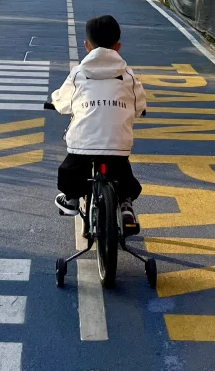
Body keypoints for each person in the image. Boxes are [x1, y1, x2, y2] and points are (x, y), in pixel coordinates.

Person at [49, 14, 147, 234]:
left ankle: (72, 199)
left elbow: (63, 102)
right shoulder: (128, 75)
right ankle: (125, 205)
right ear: (118, 46)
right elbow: (139, 103)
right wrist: (138, 110)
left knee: (71, 171)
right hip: (117, 143)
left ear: (87, 45)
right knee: (123, 174)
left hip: (83, 142)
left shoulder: (78, 73)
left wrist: (55, 101)